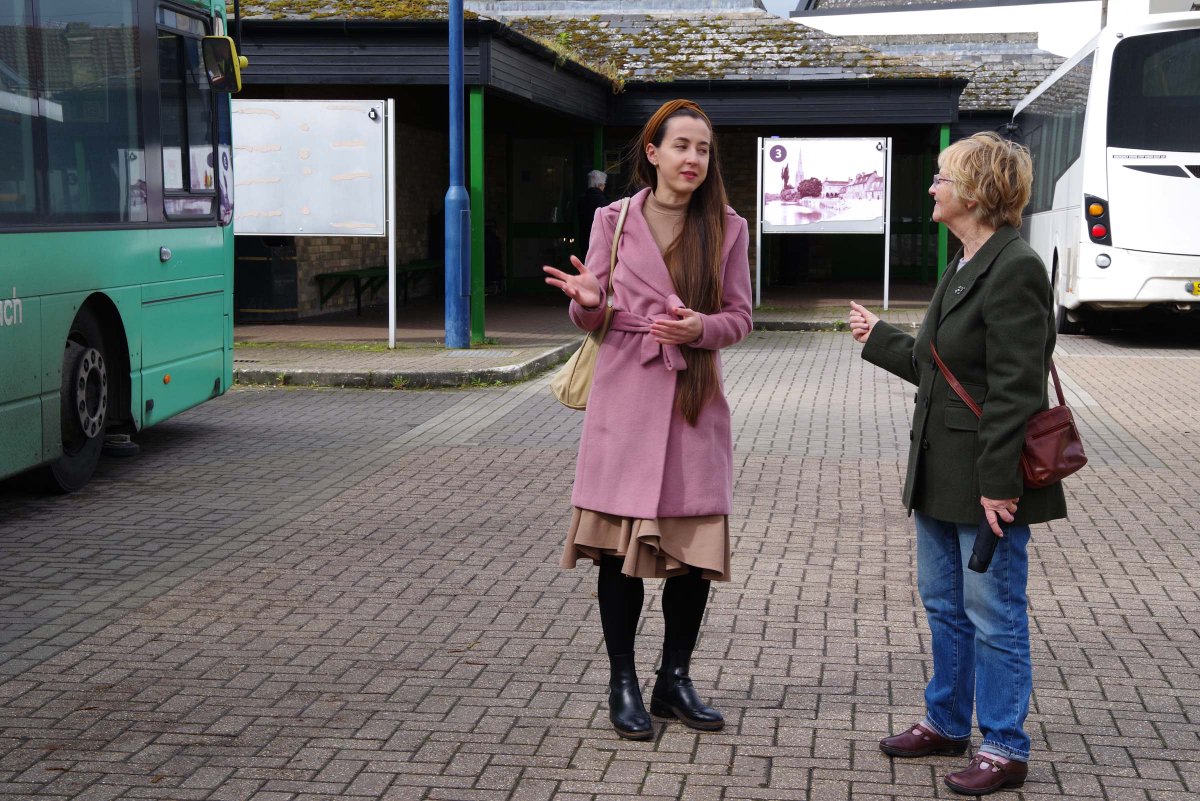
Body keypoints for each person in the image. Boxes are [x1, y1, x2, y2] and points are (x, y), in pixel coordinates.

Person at [848, 131, 1067, 796]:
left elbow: (1015, 388)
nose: (932, 188)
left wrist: (999, 485)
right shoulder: (967, 260)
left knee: (994, 612)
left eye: (942, 178)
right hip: (940, 473)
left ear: (974, 192)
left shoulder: (1015, 266)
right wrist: (879, 338)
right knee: (945, 605)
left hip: (986, 480)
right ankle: (946, 721)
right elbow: (937, 365)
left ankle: (1004, 745)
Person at [543, 100, 752, 741]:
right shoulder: (614, 217)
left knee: (690, 556)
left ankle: (675, 679)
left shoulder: (728, 228)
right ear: (653, 153)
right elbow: (597, 311)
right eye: (682, 145)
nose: (694, 158)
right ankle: (623, 682)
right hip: (626, 397)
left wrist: (701, 327)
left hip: (693, 401)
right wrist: (585, 304)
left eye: (705, 148)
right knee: (616, 556)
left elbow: (741, 318)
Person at [578, 169, 609, 253]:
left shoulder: (582, 199)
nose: (604, 186)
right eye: (604, 184)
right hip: (597, 241)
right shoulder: (601, 200)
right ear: (599, 185)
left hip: (584, 239)